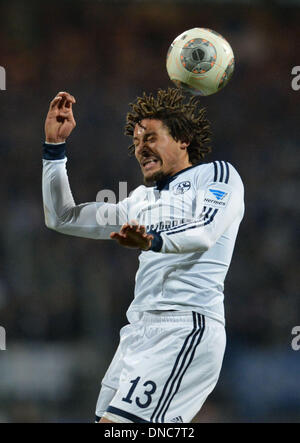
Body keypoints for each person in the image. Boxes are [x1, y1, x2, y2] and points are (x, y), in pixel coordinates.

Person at [42, 88, 244, 423]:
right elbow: (62, 217)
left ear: (183, 139)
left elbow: (205, 232)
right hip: (138, 332)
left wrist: (152, 240)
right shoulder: (139, 200)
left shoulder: (215, 175)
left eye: (151, 137)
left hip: (185, 326)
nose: (141, 147)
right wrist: (54, 151)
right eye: (136, 141)